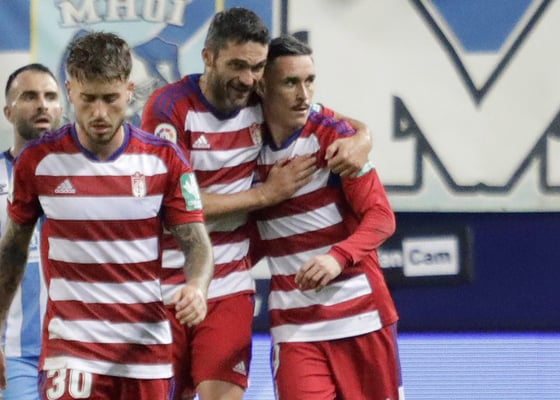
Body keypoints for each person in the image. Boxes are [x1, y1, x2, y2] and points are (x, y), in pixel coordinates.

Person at [141, 7, 373, 400]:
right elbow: (170, 209)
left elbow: (329, 120)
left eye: (257, 67)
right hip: (165, 283)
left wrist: (363, 137)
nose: (248, 79)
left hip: (229, 284)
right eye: (237, 65)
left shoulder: (259, 97)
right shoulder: (170, 108)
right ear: (208, 57)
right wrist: (265, 195)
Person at [0, 31, 214, 400]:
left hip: (145, 356)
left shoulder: (165, 160)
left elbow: (196, 243)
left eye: (110, 98)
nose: (99, 113)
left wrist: (197, 286)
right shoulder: (37, 162)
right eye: (88, 99)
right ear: (70, 92)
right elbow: (13, 250)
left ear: (129, 91)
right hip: (70, 355)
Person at [252, 34, 404, 400]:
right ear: (262, 86)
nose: (303, 95)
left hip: (362, 316)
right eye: (290, 82)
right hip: (295, 327)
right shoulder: (243, 144)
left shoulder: (334, 138)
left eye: (310, 81)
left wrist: (336, 258)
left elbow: (381, 217)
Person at [0, 63, 63, 400]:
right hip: (13, 355)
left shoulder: (87, 176)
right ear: (8, 112)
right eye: (29, 96)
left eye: (50, 96)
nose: (42, 105)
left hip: (76, 350)